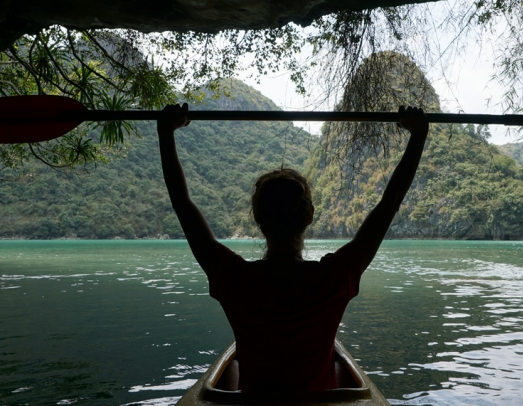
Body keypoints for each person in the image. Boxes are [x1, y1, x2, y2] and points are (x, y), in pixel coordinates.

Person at [157, 104, 429, 391]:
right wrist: (418, 135)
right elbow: (389, 203)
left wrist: (165, 132)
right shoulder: (334, 277)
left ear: (258, 219)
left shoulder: (234, 278)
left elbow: (182, 205)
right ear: (309, 217)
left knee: (232, 368)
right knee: (338, 366)